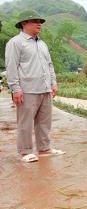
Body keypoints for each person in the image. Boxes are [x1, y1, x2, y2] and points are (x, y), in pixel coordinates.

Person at [5, 10, 65, 163]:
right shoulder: (15, 43)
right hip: (27, 89)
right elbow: (11, 67)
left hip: (45, 88)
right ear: (24, 23)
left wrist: (53, 83)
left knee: (44, 121)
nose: (39, 24)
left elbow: (49, 65)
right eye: (35, 21)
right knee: (25, 122)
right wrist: (15, 89)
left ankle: (44, 149)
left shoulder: (42, 44)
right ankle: (25, 152)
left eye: (40, 21)